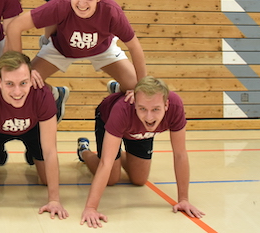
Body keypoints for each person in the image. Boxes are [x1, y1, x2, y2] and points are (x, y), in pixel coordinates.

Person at [5, 0, 147, 122]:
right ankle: (55, 94)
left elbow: (135, 47)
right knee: (25, 84)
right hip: (61, 49)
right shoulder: (60, 5)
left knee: (136, 88)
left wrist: (141, 89)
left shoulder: (111, 11)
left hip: (102, 49)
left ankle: (117, 90)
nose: (82, 3)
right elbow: (14, 27)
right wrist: (21, 69)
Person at [78, 76, 205, 227]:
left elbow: (180, 154)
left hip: (140, 130)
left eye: (156, 109)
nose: (150, 117)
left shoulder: (175, 106)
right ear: (135, 104)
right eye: (143, 108)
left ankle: (117, 157)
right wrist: (90, 208)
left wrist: (183, 199)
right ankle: (84, 151)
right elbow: (106, 162)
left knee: (139, 179)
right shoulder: (122, 109)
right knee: (112, 177)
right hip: (111, 118)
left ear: (166, 105)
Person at [0, 51, 68, 221]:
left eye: (23, 83)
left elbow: (50, 150)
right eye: (9, 84)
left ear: (31, 78)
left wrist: (54, 200)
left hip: (32, 127)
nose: (17, 91)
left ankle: (32, 151)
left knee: (45, 180)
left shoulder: (42, 93)